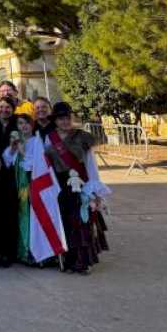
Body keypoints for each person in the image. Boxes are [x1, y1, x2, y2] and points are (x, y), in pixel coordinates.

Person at [44, 102, 110, 275]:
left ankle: (83, 261)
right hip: (60, 186)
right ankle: (68, 259)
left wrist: (94, 189)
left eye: (67, 118)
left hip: (81, 186)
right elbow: (46, 166)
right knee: (64, 224)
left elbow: (90, 165)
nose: (65, 122)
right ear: (55, 121)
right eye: (61, 119)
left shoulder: (82, 137)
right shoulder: (49, 138)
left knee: (81, 224)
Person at [3, 114, 38, 264]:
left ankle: (30, 251)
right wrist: (12, 148)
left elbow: (35, 166)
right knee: (19, 216)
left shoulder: (37, 142)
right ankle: (20, 249)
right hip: (17, 185)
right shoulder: (17, 142)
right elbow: (7, 161)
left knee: (29, 218)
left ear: (32, 125)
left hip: (30, 186)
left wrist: (23, 152)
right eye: (20, 123)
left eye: (26, 123)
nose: (23, 126)